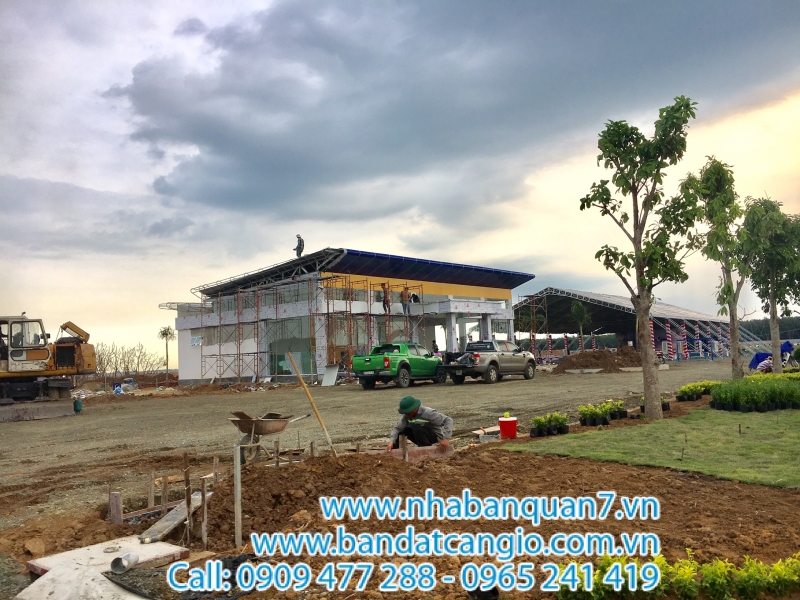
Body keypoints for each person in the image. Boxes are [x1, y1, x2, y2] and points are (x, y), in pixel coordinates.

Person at [385, 396, 452, 452]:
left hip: (434, 438)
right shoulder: (407, 416)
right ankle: (394, 452)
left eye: (408, 412)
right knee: (403, 431)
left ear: (414, 409)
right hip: (420, 437)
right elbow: (397, 428)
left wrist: (446, 438)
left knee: (416, 427)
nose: (406, 414)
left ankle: (424, 451)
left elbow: (448, 420)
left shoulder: (428, 413)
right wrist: (392, 441)